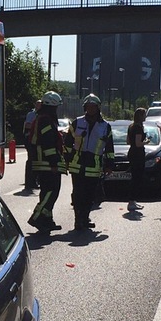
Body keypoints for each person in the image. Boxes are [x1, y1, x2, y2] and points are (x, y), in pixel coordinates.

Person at [66, 94, 114, 233]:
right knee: (77, 193)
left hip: (94, 165)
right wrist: (67, 160)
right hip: (77, 163)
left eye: (93, 107)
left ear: (98, 108)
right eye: (88, 107)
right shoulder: (77, 123)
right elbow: (68, 143)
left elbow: (109, 148)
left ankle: (85, 218)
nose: (90, 109)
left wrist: (109, 165)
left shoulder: (105, 126)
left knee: (90, 194)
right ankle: (78, 219)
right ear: (85, 108)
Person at [27, 91, 64, 232]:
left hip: (43, 162)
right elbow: (48, 143)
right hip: (46, 163)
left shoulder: (42, 118)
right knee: (51, 192)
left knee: (47, 192)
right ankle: (37, 217)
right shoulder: (46, 120)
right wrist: (54, 163)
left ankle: (47, 220)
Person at [126, 106, 147, 213]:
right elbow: (138, 143)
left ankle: (133, 200)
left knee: (135, 177)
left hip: (132, 152)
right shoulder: (138, 128)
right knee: (137, 178)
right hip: (138, 154)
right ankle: (131, 201)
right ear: (141, 116)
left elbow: (128, 141)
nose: (145, 116)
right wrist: (146, 142)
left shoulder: (131, 126)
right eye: (144, 114)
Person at [22, 99, 41, 191]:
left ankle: (36, 180)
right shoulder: (31, 114)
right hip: (30, 140)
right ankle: (30, 182)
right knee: (32, 160)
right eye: (38, 104)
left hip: (39, 141)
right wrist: (37, 126)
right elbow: (27, 125)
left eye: (40, 105)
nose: (39, 106)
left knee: (38, 161)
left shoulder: (43, 115)